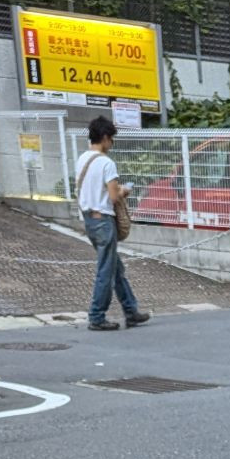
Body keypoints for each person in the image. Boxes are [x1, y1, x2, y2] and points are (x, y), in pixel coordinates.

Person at [75, 116, 149, 332]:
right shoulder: (106, 163)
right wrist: (125, 190)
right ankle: (97, 316)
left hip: (89, 219)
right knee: (106, 270)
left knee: (115, 267)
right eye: (111, 139)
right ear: (105, 138)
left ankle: (131, 310)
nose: (112, 143)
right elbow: (114, 196)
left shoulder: (82, 159)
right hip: (104, 220)